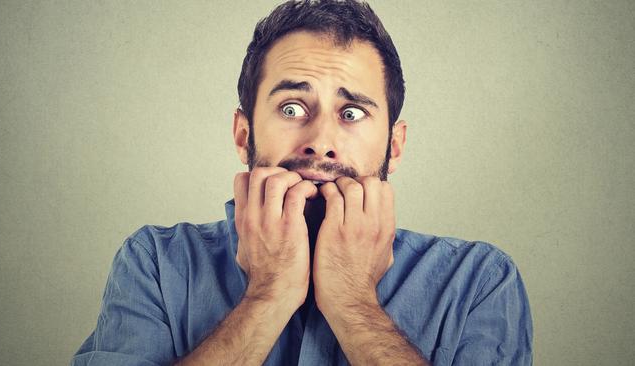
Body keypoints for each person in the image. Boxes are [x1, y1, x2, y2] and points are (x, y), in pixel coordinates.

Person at [72, 1, 533, 365]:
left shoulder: (478, 281)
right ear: (244, 134)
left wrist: (353, 302)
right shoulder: (156, 263)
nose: (320, 142)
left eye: (351, 113)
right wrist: (268, 294)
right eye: (292, 107)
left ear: (394, 145)